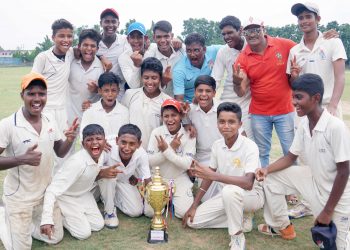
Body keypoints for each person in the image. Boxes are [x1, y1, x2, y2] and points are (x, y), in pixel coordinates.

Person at [255, 73, 350, 249]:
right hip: (313, 180)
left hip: (337, 195)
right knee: (271, 178)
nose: (294, 102)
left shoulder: (335, 127)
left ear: (316, 98)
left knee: (334, 246)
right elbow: (291, 157)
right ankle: (282, 226)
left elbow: (344, 171)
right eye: (293, 97)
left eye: (299, 97)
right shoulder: (304, 124)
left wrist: (327, 212)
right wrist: (266, 169)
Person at [0, 72, 78, 249]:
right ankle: (4, 221)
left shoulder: (49, 119)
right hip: (19, 198)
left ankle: (23, 229)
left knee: (54, 237)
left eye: (41, 94)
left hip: (44, 194)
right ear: (22, 96)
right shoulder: (8, 124)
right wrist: (21, 159)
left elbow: (60, 151)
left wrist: (70, 139)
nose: (37, 98)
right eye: (31, 93)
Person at [182, 102, 264, 250]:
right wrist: (194, 205)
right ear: (217, 123)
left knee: (229, 191)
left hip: (251, 196)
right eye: (222, 121)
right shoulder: (217, 145)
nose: (226, 126)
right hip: (227, 196)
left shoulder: (250, 146)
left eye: (231, 122)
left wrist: (214, 175)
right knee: (192, 222)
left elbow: (248, 183)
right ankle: (242, 219)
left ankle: (237, 236)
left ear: (240, 124)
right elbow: (208, 178)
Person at [234, 18, 296, 167]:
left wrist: (323, 37)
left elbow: (306, 48)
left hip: (285, 110)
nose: (252, 34)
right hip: (259, 113)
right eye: (248, 31)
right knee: (261, 153)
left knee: (291, 152)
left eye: (256, 30)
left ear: (264, 29)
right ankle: (263, 187)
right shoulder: (242, 57)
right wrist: (236, 82)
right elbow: (241, 92)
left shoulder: (284, 44)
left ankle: (292, 190)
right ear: (243, 33)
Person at [40, 124, 107, 240]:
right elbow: (51, 190)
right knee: (83, 233)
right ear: (83, 144)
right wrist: (47, 219)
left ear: (105, 142)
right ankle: (59, 213)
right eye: (89, 140)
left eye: (99, 139)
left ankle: (74, 215)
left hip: (83, 194)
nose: (95, 143)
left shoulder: (101, 154)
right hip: (65, 196)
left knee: (98, 225)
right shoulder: (77, 163)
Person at [288, 2, 347, 118]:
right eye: (300, 18)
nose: (304, 21)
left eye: (308, 16)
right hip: (304, 109)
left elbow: (340, 76)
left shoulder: (333, 42)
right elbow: (294, 84)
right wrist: (294, 76)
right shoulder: (294, 51)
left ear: (318, 19)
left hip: (328, 107)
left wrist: (333, 105)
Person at [145, 99, 196, 218]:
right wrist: (171, 148)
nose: (170, 119)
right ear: (162, 117)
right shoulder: (157, 132)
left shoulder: (189, 134)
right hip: (158, 178)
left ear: (181, 116)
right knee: (150, 212)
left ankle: (172, 198)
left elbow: (187, 164)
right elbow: (150, 161)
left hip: (179, 178)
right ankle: (166, 198)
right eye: (166, 116)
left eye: (174, 115)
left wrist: (167, 150)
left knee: (183, 213)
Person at [97, 124, 151, 228]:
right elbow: (93, 169)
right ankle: (109, 211)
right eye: (123, 142)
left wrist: (154, 201)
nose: (127, 148)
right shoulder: (106, 146)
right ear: (117, 140)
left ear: (139, 144)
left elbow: (147, 178)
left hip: (122, 182)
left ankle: (110, 196)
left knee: (136, 212)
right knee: (108, 173)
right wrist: (103, 172)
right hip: (101, 181)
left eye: (132, 144)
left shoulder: (142, 154)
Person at [211, 16, 253, 139]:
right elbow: (215, 79)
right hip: (228, 100)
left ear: (240, 30)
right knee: (226, 140)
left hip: (249, 103)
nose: (226, 37)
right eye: (223, 34)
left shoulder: (252, 46)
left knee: (247, 142)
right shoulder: (223, 51)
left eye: (230, 33)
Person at [32, 18, 75, 133]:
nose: (66, 40)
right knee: (45, 146)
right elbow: (31, 85)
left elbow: (87, 50)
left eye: (69, 36)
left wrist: (102, 58)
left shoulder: (71, 53)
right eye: (61, 36)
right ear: (53, 38)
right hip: (45, 109)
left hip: (63, 110)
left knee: (63, 147)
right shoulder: (43, 58)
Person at [121, 57, 170, 148]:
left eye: (154, 78)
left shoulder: (166, 101)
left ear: (160, 78)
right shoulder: (130, 95)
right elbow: (121, 119)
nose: (150, 82)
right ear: (141, 77)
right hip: (131, 151)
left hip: (155, 152)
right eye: (146, 78)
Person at [80, 71, 129, 146]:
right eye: (106, 91)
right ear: (100, 91)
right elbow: (83, 136)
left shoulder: (124, 112)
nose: (110, 94)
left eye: (113, 90)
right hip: (95, 153)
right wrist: (99, 144)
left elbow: (126, 137)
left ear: (118, 91)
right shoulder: (90, 111)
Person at [68, 29, 104, 126]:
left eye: (92, 46)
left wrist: (97, 90)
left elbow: (106, 94)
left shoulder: (102, 67)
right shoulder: (70, 59)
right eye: (85, 45)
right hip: (69, 117)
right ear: (79, 46)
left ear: (97, 48)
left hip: (91, 118)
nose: (89, 48)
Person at [173, 32, 221, 103]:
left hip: (209, 101)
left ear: (204, 49)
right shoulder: (179, 70)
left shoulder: (214, 51)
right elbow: (179, 100)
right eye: (189, 51)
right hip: (190, 105)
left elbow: (230, 47)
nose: (192, 55)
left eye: (196, 50)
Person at [144, 20, 185, 97]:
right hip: (159, 100)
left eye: (166, 36)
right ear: (154, 38)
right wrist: (163, 81)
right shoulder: (150, 57)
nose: (163, 41)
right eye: (159, 37)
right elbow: (147, 85)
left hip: (182, 98)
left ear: (172, 36)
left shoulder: (182, 50)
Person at [97, 8, 130, 99]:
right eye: (107, 21)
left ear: (118, 24)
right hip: (98, 93)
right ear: (101, 23)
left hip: (119, 94)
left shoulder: (125, 41)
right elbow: (81, 50)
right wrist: (99, 56)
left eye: (113, 22)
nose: (110, 25)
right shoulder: (94, 41)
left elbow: (140, 45)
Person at [118, 22, 150, 89]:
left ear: (146, 38)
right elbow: (134, 86)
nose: (136, 41)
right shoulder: (123, 58)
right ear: (128, 39)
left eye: (139, 37)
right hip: (135, 95)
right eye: (132, 37)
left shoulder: (152, 51)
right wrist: (137, 65)